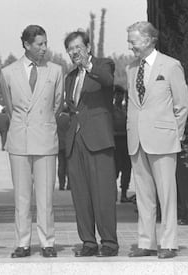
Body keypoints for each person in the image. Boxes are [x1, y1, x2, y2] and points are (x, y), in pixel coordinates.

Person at [126, 21, 188, 259]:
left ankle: (169, 243)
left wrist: (175, 133)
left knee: (167, 194)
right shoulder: (131, 68)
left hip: (163, 139)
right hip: (137, 140)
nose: (130, 45)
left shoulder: (171, 66)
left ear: (149, 39)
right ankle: (147, 243)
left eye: (133, 40)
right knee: (143, 195)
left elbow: (182, 105)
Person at [0, 25, 63, 258]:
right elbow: (9, 107)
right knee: (21, 196)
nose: (44, 48)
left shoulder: (56, 71)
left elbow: (57, 105)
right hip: (19, 140)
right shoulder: (8, 72)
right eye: (39, 44)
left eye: (46, 43)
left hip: (45, 138)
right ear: (26, 45)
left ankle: (48, 242)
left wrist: (42, 123)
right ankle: (23, 243)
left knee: (46, 196)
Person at [64, 30, 118, 257]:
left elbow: (107, 80)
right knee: (81, 195)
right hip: (75, 142)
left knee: (103, 193)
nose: (74, 52)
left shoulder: (104, 65)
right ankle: (88, 241)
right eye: (70, 49)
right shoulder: (69, 77)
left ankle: (109, 243)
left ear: (88, 47)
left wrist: (88, 65)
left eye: (78, 47)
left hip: (99, 140)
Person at [112, 85, 132, 203]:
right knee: (115, 169)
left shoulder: (126, 109)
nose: (119, 97)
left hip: (126, 141)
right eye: (117, 94)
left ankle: (124, 194)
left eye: (121, 94)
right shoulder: (111, 109)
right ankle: (112, 194)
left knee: (126, 168)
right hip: (116, 141)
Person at [56, 111, 70, 190]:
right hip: (68, 144)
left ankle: (61, 184)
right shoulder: (69, 119)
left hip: (60, 144)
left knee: (61, 165)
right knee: (69, 165)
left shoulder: (57, 119)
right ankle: (69, 184)